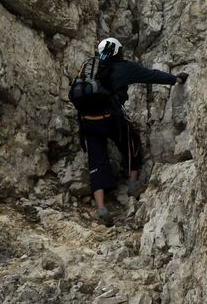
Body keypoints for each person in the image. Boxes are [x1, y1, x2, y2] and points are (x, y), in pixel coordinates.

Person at [69, 37, 187, 226]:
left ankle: (101, 208)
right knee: (131, 141)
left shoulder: (90, 65)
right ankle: (133, 185)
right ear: (117, 51)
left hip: (87, 120)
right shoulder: (123, 68)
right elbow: (150, 75)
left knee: (96, 160)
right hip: (110, 119)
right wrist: (175, 79)